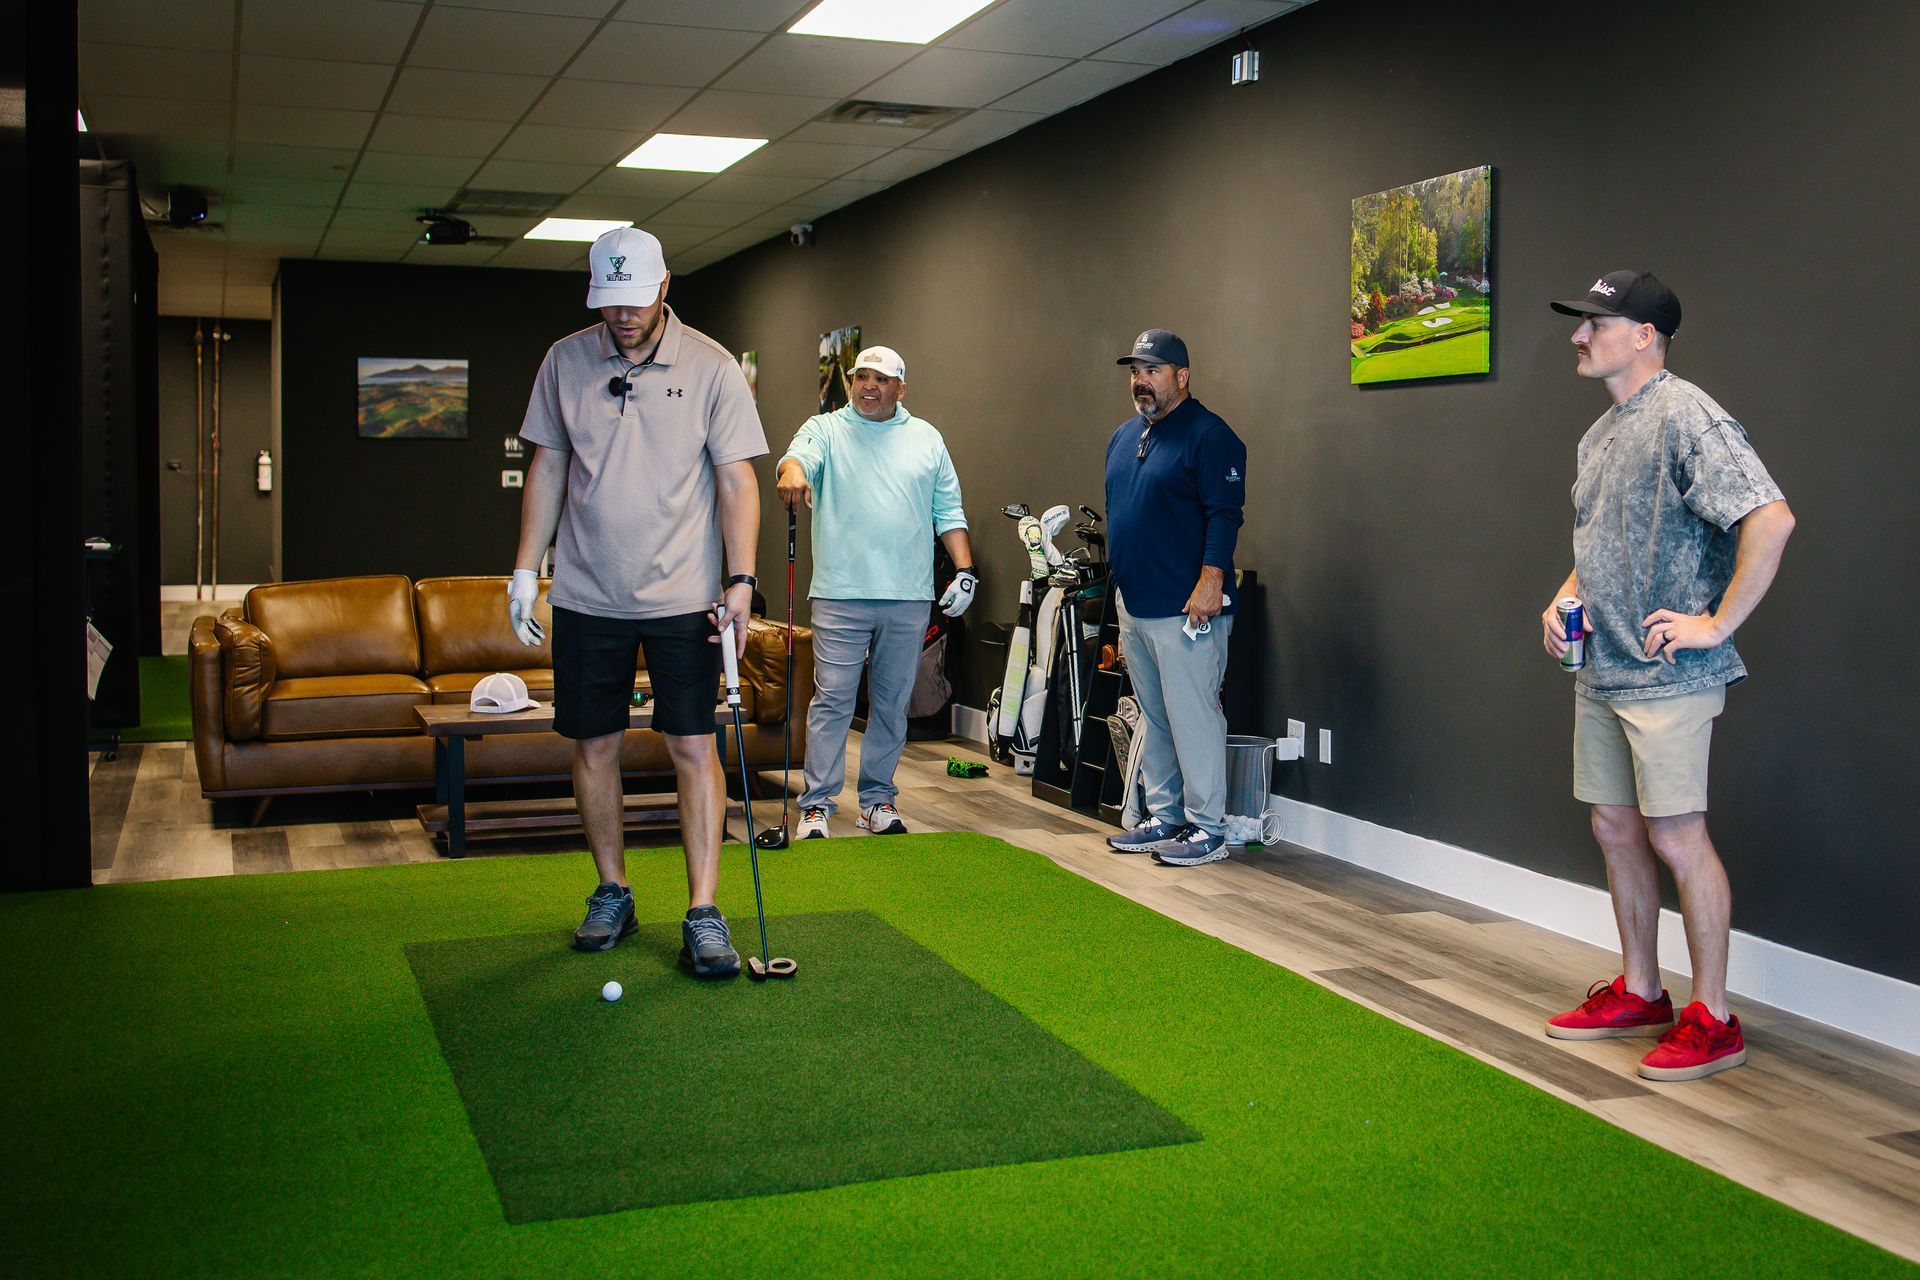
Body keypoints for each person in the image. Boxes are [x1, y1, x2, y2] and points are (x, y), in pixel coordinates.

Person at [1539, 270, 1794, 1080]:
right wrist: (1562, 599)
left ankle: (1713, 1016)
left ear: (1643, 333)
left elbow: (1770, 516)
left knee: (1677, 836)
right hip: (1603, 671)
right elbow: (1597, 548)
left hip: (1670, 676)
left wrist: (1714, 624)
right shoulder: (1600, 434)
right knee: (1615, 829)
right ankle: (1643, 990)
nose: (1579, 335)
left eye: (1595, 323)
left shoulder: (1687, 413)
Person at [509, 226, 767, 977]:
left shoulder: (714, 367)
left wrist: (742, 580)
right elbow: (549, 468)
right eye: (607, 303)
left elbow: (736, 481)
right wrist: (526, 570)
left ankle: (704, 910)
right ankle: (613, 891)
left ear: (663, 286)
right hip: (588, 594)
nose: (621, 317)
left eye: (633, 300)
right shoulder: (565, 361)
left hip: (685, 597)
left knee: (694, 747)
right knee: (594, 744)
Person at [775, 345, 975, 839]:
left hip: (908, 596)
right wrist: (794, 474)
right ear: (850, 382)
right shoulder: (825, 429)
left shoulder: (927, 438)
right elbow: (796, 459)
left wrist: (966, 571)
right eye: (861, 376)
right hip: (841, 594)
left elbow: (948, 511)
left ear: (900, 389)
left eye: (881, 379)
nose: (869, 386)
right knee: (834, 700)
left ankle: (876, 800)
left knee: (891, 702)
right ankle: (817, 804)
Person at [1102, 329, 1246, 867]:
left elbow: (1224, 514)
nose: (1140, 381)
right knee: (1155, 717)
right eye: (1135, 371)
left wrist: (1212, 580)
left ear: (1181, 376)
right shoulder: (1124, 437)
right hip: (1136, 605)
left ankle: (1209, 828)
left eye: (1153, 370)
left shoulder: (1211, 436)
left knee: (1194, 717)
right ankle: (1166, 816)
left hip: (1189, 608)